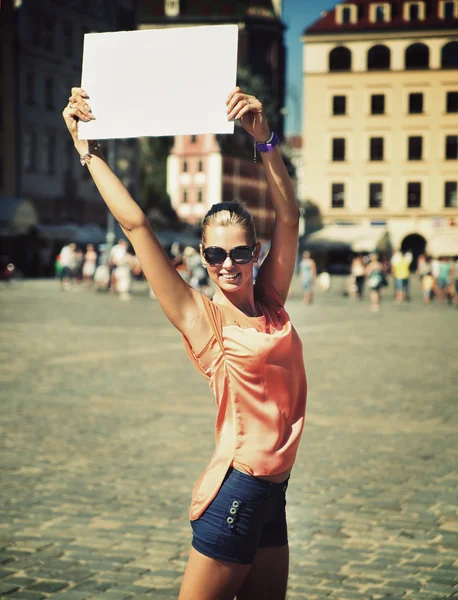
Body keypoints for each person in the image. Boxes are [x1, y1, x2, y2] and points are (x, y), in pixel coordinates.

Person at [64, 85, 307, 600]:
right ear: (201, 253)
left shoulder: (272, 302)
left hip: (274, 494)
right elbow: (135, 225)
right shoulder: (202, 318)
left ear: (255, 252)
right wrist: (88, 149)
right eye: (215, 255)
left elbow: (289, 217)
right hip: (239, 490)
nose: (227, 265)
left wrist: (265, 140)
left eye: (240, 253)